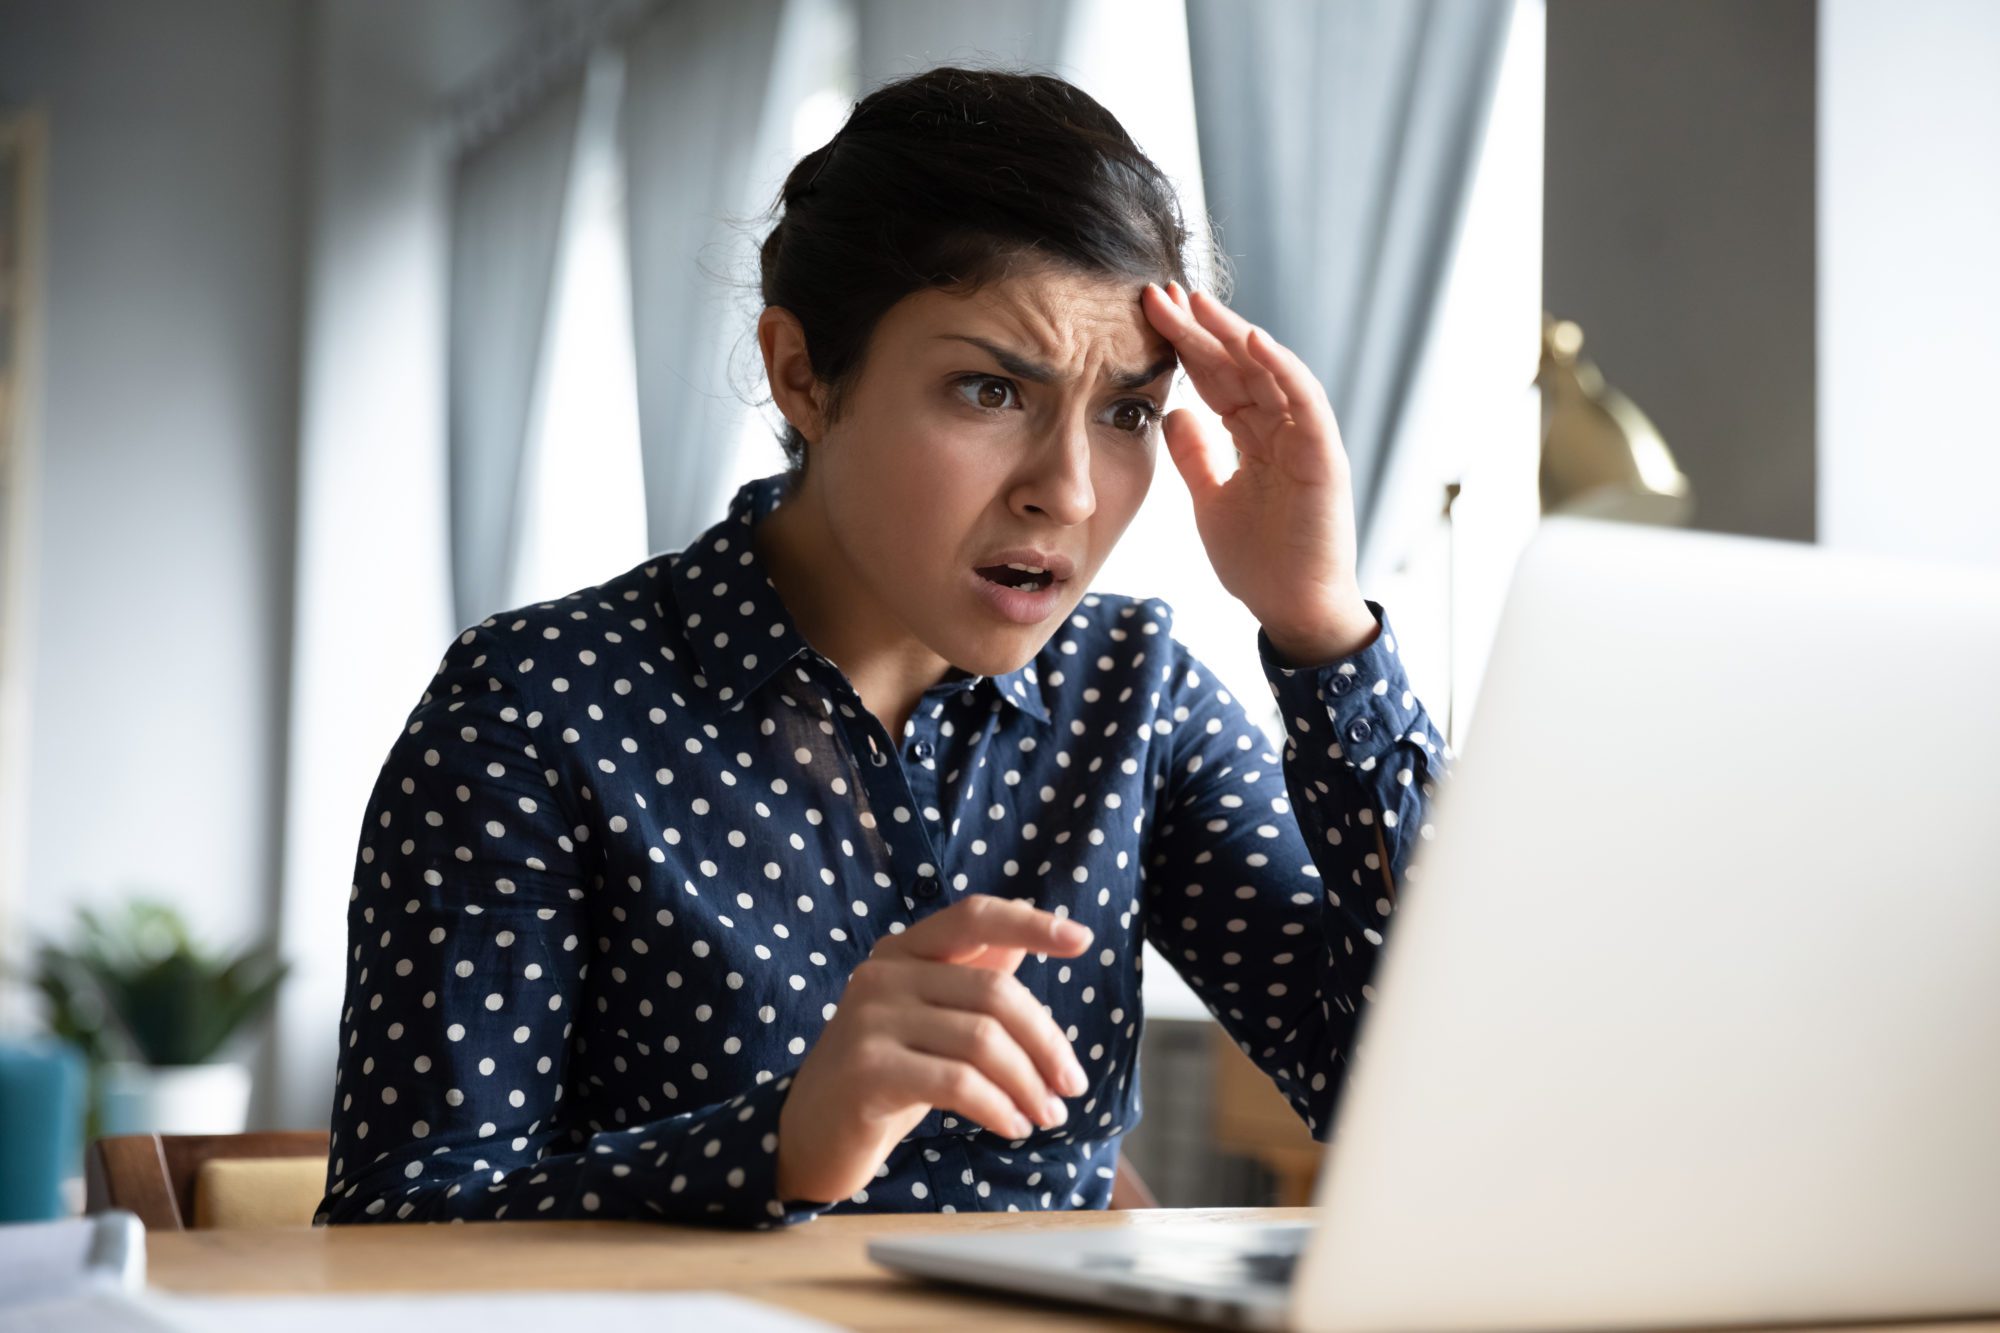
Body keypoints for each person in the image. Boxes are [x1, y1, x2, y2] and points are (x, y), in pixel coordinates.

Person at [315, 65, 1448, 1229]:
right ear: (802, 374)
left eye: (1124, 413)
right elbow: (393, 1223)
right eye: (987, 390)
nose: (1065, 491)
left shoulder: (1134, 697)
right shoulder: (534, 709)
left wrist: (1321, 629)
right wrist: (780, 1145)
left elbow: (1414, 1097)